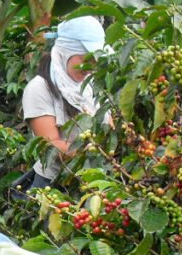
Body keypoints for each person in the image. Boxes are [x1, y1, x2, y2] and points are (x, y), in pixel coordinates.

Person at [15, 15, 113, 193]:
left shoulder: (91, 85)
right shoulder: (39, 88)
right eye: (86, 60)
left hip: (95, 180)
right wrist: (93, 152)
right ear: (65, 53)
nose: (91, 67)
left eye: (95, 61)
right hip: (55, 185)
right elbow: (50, 146)